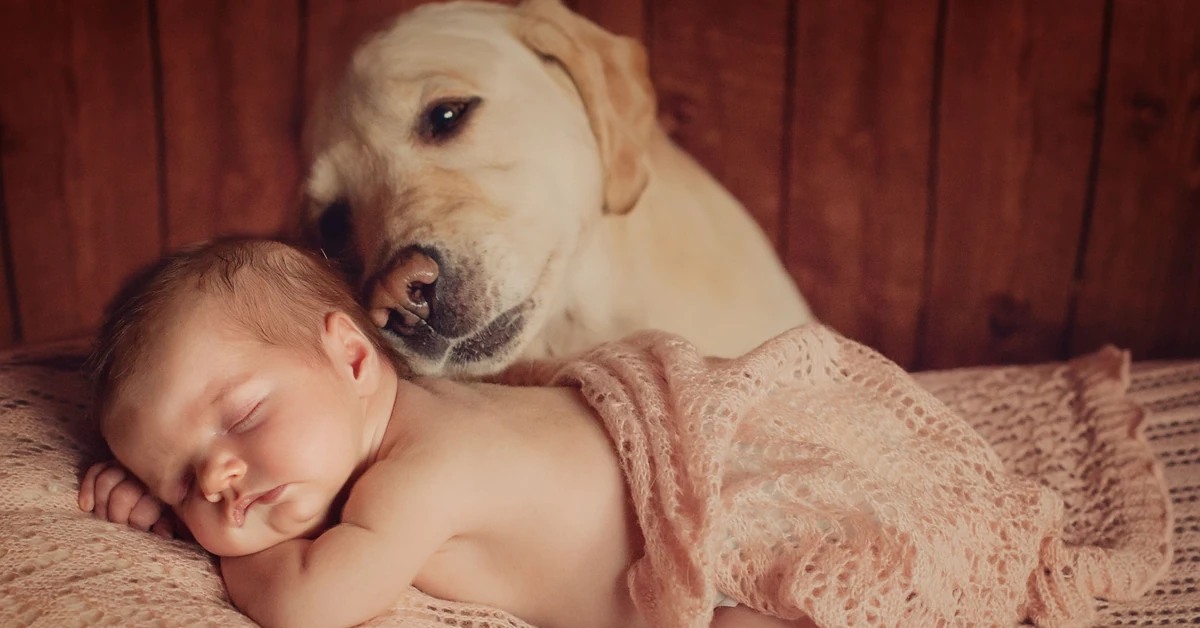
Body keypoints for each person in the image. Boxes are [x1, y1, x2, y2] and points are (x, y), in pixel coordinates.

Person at [78, 238, 804, 628]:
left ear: (353, 358)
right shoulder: (404, 418)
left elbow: (306, 605)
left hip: (725, 574)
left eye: (241, 418)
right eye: (182, 479)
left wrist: (204, 534)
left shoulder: (423, 474)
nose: (215, 480)